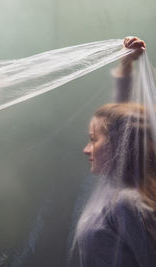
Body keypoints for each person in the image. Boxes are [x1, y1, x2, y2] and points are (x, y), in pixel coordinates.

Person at [76, 38, 156, 266]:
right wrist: (125, 65)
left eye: (93, 140)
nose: (86, 149)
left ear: (119, 145)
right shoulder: (112, 187)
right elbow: (121, 123)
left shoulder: (127, 203)